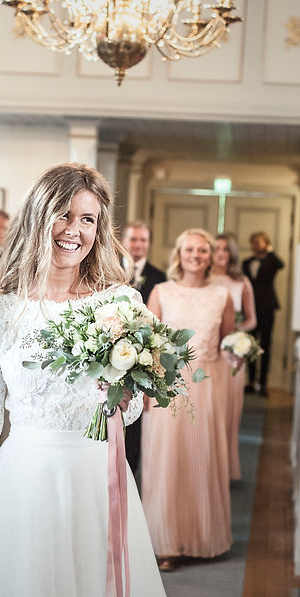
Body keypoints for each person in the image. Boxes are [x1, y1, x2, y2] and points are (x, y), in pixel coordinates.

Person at [0, 163, 166, 597]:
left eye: (88, 219)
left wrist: (123, 399)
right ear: (38, 216)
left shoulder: (122, 302)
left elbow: (134, 408)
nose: (74, 230)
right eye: (63, 214)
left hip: (94, 479)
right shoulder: (2, 310)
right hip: (21, 481)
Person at [141, 228, 235, 571]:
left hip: (207, 387)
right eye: (190, 250)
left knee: (201, 460)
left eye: (202, 250)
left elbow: (226, 344)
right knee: (166, 462)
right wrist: (147, 390)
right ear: (179, 254)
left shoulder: (223, 296)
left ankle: (201, 537)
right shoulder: (161, 292)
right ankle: (165, 543)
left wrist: (238, 354)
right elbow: (147, 345)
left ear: (211, 257)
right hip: (167, 386)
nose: (196, 255)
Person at [212, 233, 257, 480]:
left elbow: (252, 319)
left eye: (225, 249)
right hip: (209, 352)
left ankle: (226, 468)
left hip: (231, 355)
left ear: (232, 253)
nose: (220, 253)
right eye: (216, 249)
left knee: (228, 411)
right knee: (210, 410)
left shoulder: (242, 282)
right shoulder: (204, 279)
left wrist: (235, 333)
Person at [122, 221, 166, 474]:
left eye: (143, 240)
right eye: (133, 239)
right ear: (124, 241)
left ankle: (131, 471)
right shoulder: (106, 270)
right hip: (109, 350)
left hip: (143, 356)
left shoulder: (159, 277)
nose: (138, 245)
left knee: (136, 420)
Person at [242, 231, 284, 397]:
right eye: (254, 242)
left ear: (266, 243)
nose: (256, 245)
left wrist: (270, 250)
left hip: (267, 308)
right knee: (250, 345)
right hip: (250, 307)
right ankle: (251, 381)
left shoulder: (271, 261)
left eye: (259, 242)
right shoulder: (247, 262)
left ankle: (263, 383)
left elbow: (281, 264)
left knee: (265, 345)